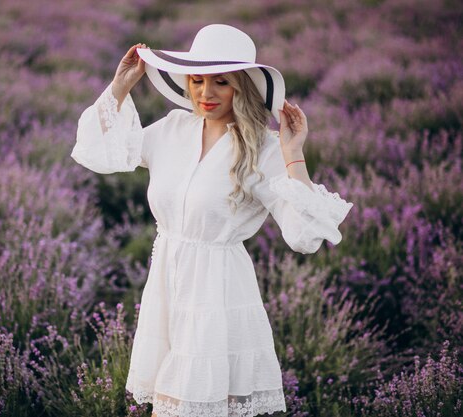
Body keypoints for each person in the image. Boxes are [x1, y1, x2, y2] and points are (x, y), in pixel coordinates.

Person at [71, 24, 353, 417]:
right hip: (167, 282)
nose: (206, 93)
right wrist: (119, 87)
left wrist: (293, 153)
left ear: (244, 87)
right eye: (198, 80)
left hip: (216, 291)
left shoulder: (263, 148)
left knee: (186, 404)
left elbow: (304, 235)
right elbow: (99, 152)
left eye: (221, 82)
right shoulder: (173, 129)